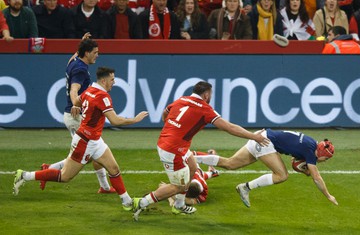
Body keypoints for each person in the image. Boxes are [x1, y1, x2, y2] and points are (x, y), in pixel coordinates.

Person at [13, 67, 149, 212]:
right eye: (112, 79)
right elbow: (114, 121)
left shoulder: (89, 90)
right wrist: (135, 120)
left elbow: (77, 100)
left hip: (95, 140)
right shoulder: (102, 96)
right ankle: (25, 175)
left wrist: (75, 107)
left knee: (113, 168)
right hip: (85, 141)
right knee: (65, 176)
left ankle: (127, 201)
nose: (114, 82)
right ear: (104, 80)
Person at [131, 81, 269, 221]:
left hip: (174, 145)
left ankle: (179, 205)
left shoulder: (182, 99)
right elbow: (229, 127)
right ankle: (140, 202)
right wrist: (254, 136)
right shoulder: (205, 109)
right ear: (206, 94)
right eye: (211, 95)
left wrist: (171, 129)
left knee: (192, 167)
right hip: (173, 150)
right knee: (178, 187)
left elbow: (165, 113)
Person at [40, 34, 115, 193]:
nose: (97, 55)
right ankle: (48, 171)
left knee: (91, 153)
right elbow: (74, 89)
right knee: (89, 153)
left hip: (76, 116)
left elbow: (75, 55)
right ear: (86, 53)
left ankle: (104, 187)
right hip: (76, 117)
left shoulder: (74, 61)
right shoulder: (81, 70)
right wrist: (77, 104)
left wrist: (82, 42)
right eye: (95, 52)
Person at [195, 129, 338, 207]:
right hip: (265, 142)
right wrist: (328, 196)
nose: (324, 161)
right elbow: (316, 178)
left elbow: (294, 162)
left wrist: (303, 170)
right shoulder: (311, 153)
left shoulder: (311, 144)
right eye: (326, 158)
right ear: (322, 153)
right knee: (282, 175)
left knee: (230, 164)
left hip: (262, 136)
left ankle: (191, 157)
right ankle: (245, 187)